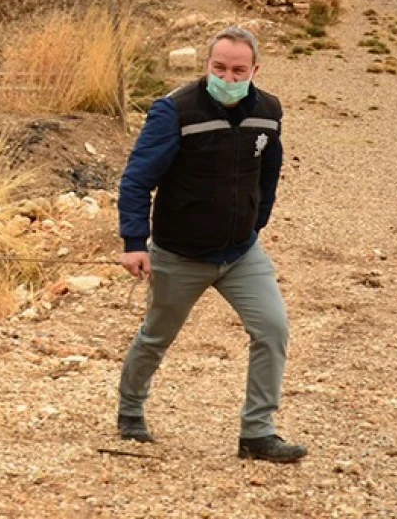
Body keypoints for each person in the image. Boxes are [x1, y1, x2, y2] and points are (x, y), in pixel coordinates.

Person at [115, 26, 307, 463]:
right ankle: (129, 410)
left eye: (239, 69)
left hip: (241, 253)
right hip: (179, 254)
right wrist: (134, 241)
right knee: (157, 335)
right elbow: (137, 179)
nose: (229, 76)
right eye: (219, 67)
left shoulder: (269, 111)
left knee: (273, 328)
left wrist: (255, 223)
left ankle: (257, 433)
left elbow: (269, 173)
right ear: (207, 65)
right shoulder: (174, 111)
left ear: (255, 70)